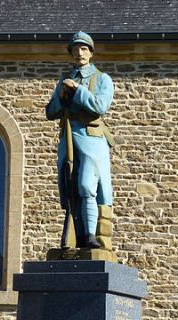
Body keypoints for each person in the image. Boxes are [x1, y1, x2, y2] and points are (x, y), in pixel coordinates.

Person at [46, 31, 114, 249]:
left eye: (83, 49)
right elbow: (50, 111)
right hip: (68, 140)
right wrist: (62, 97)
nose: (79, 53)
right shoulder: (64, 80)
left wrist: (78, 91)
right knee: (71, 192)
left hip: (91, 139)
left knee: (87, 186)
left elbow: (99, 107)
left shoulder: (103, 79)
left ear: (91, 52)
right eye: (75, 49)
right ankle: (77, 237)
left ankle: (92, 236)